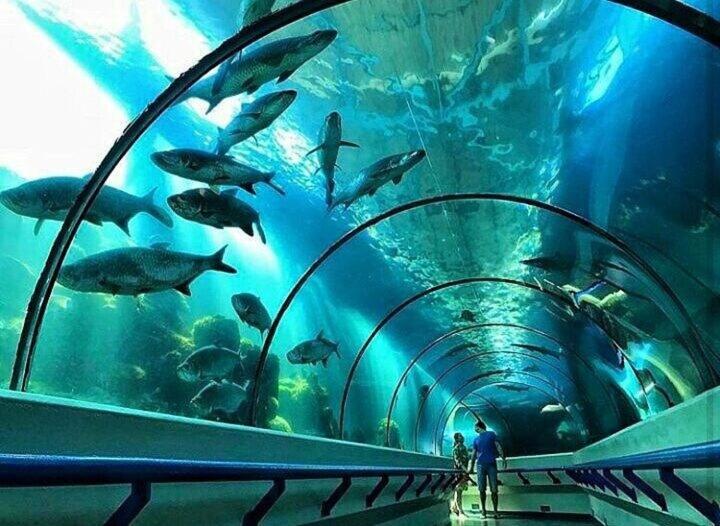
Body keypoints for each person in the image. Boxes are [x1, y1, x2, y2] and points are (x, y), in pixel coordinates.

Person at [470, 420, 507, 519]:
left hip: (481, 465)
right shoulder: (490, 435)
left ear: (479, 427)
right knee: (492, 489)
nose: (474, 429)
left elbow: (473, 454)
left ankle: (484, 512)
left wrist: (471, 467)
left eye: (475, 427)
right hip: (490, 464)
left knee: (483, 489)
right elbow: (498, 446)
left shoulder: (479, 439)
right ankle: (494, 512)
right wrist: (503, 457)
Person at [451, 432, 470, 517]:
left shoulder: (464, 447)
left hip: (464, 472)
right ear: (457, 439)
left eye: (462, 436)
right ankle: (460, 510)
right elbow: (458, 462)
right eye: (460, 436)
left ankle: (454, 507)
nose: (462, 437)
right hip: (459, 473)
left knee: (460, 490)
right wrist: (465, 470)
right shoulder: (456, 449)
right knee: (458, 491)